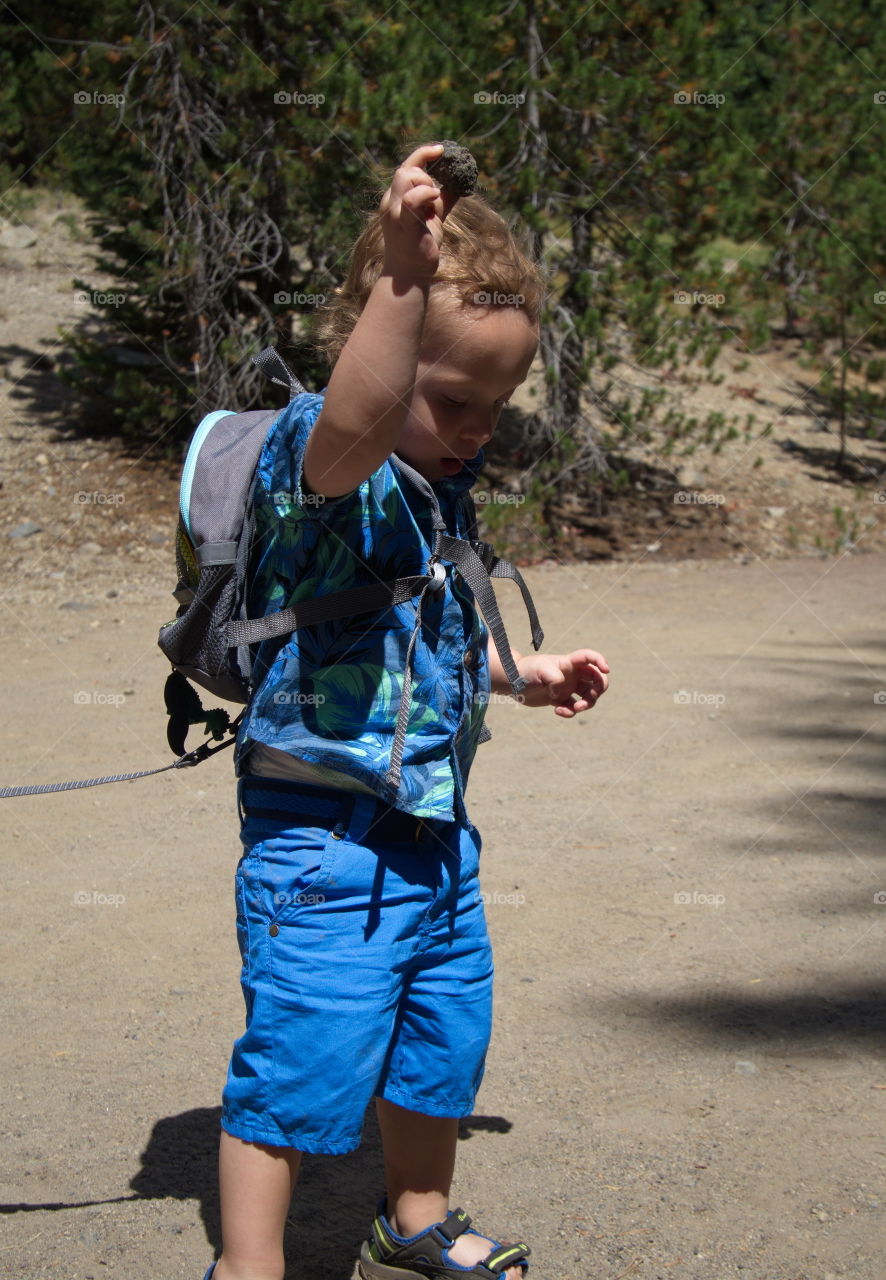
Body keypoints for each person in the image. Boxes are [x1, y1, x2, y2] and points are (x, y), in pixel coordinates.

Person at [204, 141, 610, 1280]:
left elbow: (424, 634)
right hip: (320, 846)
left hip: (433, 838)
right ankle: (249, 1263)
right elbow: (362, 411)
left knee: (441, 1035)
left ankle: (416, 1213)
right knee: (301, 1058)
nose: (479, 424)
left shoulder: (441, 492)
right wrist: (400, 274)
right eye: (454, 397)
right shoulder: (324, 457)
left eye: (499, 402)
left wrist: (517, 673)